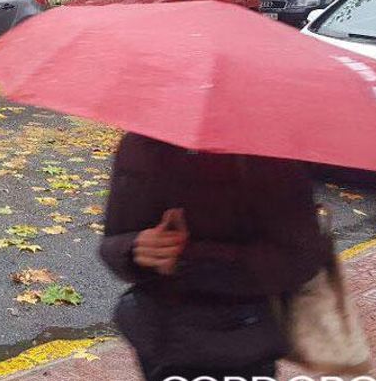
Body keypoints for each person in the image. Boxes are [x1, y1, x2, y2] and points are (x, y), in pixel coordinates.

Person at [100, 133, 332, 381]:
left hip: (245, 340)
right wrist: (136, 247)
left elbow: (300, 258)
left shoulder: (271, 156)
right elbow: (112, 241)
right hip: (159, 338)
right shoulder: (142, 145)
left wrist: (189, 256)